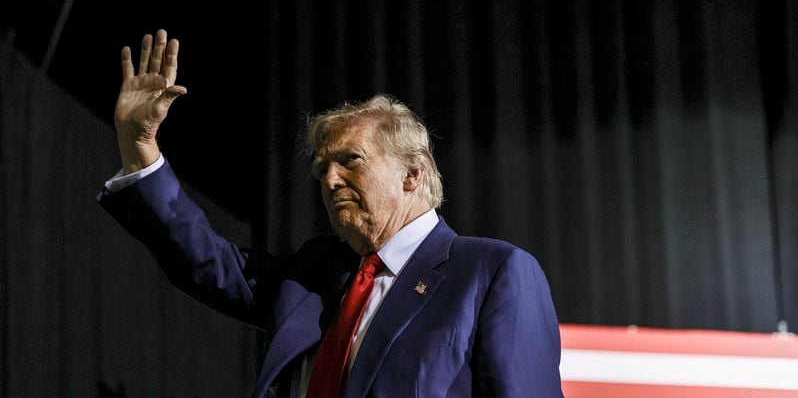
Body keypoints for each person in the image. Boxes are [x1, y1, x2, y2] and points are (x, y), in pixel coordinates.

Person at [98, 29, 563, 397]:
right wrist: (140, 147)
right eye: (322, 168)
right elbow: (205, 261)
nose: (330, 179)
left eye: (350, 161)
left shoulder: (490, 273)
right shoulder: (316, 276)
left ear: (412, 173)